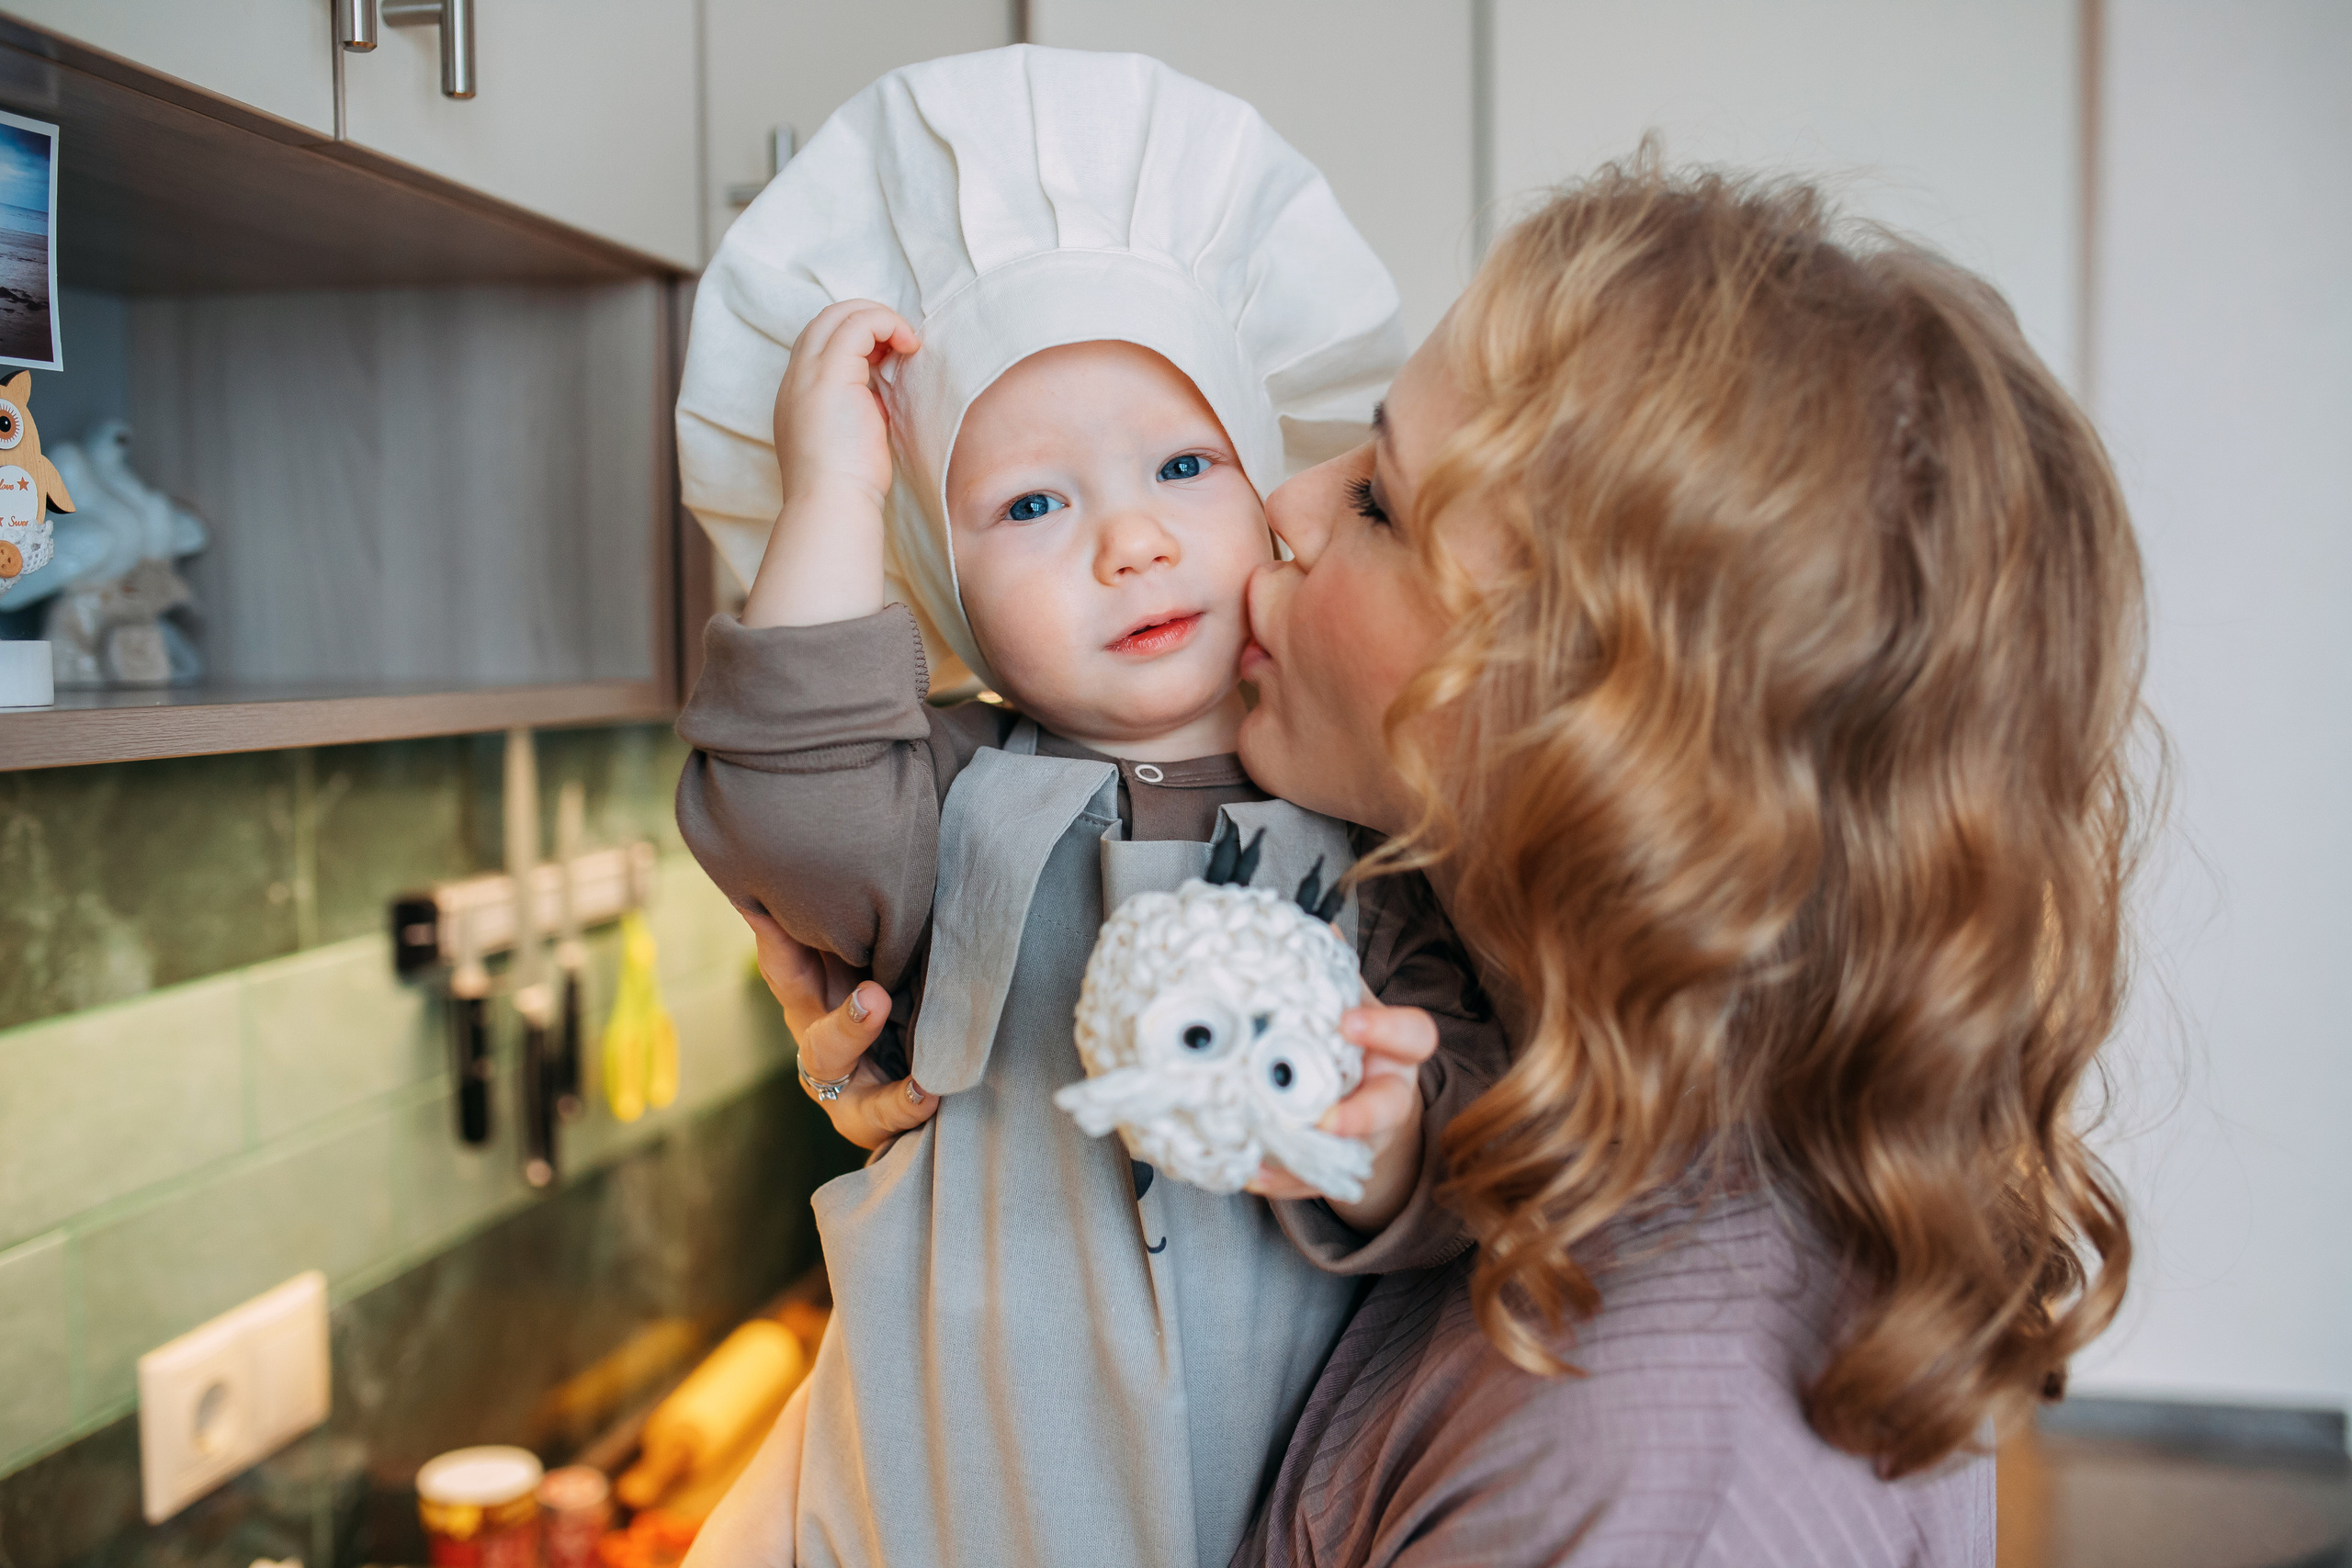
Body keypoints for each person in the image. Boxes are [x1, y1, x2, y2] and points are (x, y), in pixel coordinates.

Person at [738, 153, 2148, 1567]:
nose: (1280, 501)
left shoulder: (1630, 1474)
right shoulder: (1549, 1073)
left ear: (1586, 734)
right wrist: (997, 1084)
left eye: (1381, 507)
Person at [670, 46, 1507, 1568]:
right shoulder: (938, 793)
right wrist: (835, 501)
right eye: (1031, 505)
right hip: (958, 1501)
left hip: (1282, 1502)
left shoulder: (1383, 830)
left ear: (1276, 491)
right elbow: (783, 808)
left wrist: (1389, 1147)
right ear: (941, 591)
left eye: (1185, 465)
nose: (1129, 540)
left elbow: (1473, 1091)